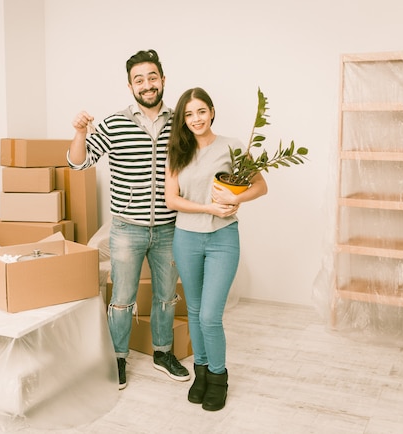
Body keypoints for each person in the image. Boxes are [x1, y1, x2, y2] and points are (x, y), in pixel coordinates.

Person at [68, 49, 190, 390]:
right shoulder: (114, 123)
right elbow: (79, 163)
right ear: (130, 85)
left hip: (169, 227)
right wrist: (79, 132)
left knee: (167, 296)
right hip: (126, 229)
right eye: (139, 80)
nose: (147, 85)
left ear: (163, 80)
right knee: (122, 299)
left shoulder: (180, 121)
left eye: (152, 77)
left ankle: (163, 352)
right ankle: (117, 358)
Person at [165, 87, 268, 411]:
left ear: (211, 111)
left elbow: (261, 185)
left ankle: (219, 376)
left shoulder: (233, 147)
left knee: (210, 315)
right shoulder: (177, 151)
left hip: (223, 238)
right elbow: (172, 200)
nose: (196, 119)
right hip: (187, 238)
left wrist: (235, 199)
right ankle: (202, 373)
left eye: (201, 111)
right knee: (194, 311)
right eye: (189, 114)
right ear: (184, 119)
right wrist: (209, 208)